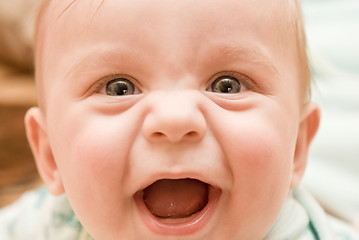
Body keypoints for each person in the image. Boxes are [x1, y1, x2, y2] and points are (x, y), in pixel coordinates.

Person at [0, 0, 358, 239]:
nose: (175, 120)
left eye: (227, 85)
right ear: (50, 156)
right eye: (119, 88)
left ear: (296, 147)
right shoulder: (41, 226)